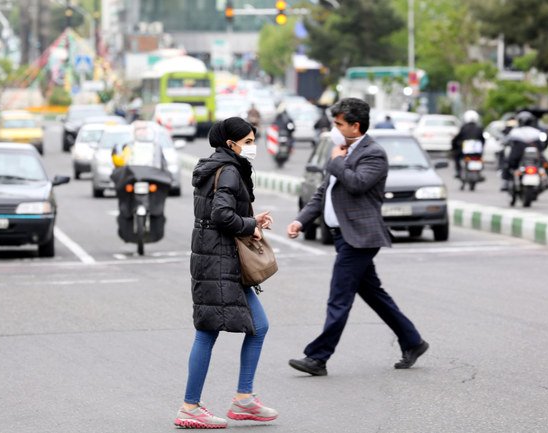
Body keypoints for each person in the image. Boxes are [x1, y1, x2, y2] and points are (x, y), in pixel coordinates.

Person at [286, 98, 428, 377]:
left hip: (360, 237)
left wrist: (337, 162)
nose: (334, 129)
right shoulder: (342, 151)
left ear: (355, 125)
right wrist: (300, 220)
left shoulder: (373, 154)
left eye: (339, 124)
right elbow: (322, 194)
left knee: (339, 297)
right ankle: (413, 341)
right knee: (374, 294)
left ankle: (318, 357)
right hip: (344, 236)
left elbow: (357, 184)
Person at [174, 117, 278, 429]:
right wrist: (252, 225)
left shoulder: (217, 166)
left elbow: (218, 210)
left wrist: (249, 218)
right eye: (247, 141)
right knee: (208, 330)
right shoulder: (230, 169)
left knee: (257, 327)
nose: (252, 146)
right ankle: (190, 407)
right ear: (230, 143)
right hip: (219, 260)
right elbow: (221, 215)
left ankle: (243, 399)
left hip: (216, 258)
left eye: (252, 140)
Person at [501, 111, 546, 190]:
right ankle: (545, 179)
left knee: (507, 164)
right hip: (535, 157)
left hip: (519, 157)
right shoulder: (536, 132)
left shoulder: (515, 132)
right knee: (545, 163)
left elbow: (506, 141)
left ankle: (505, 182)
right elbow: (543, 144)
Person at [451, 110, 485, 179]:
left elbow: (457, 138)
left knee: (456, 156)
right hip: (476, 152)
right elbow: (483, 140)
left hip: (466, 151)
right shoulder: (479, 128)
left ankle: (458, 171)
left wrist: (453, 147)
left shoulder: (464, 127)